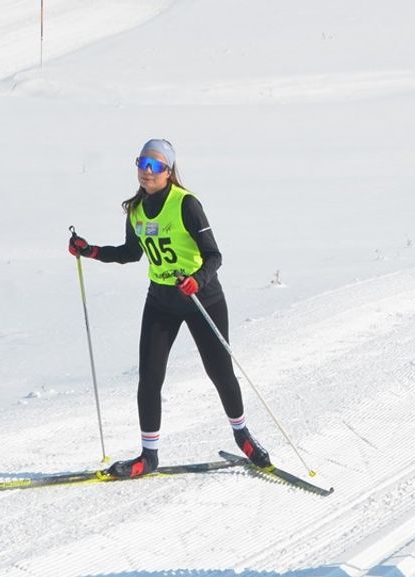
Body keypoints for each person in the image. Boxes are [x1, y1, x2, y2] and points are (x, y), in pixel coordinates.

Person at [67, 139, 272, 476]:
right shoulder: (135, 210)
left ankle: (242, 434)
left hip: (201, 300)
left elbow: (214, 256)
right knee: (149, 377)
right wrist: (90, 251)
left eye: (156, 166)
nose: (147, 172)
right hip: (161, 300)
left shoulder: (186, 204)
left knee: (219, 372)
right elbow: (131, 253)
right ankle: (148, 456)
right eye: (143, 164)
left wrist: (198, 280)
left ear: (169, 171)